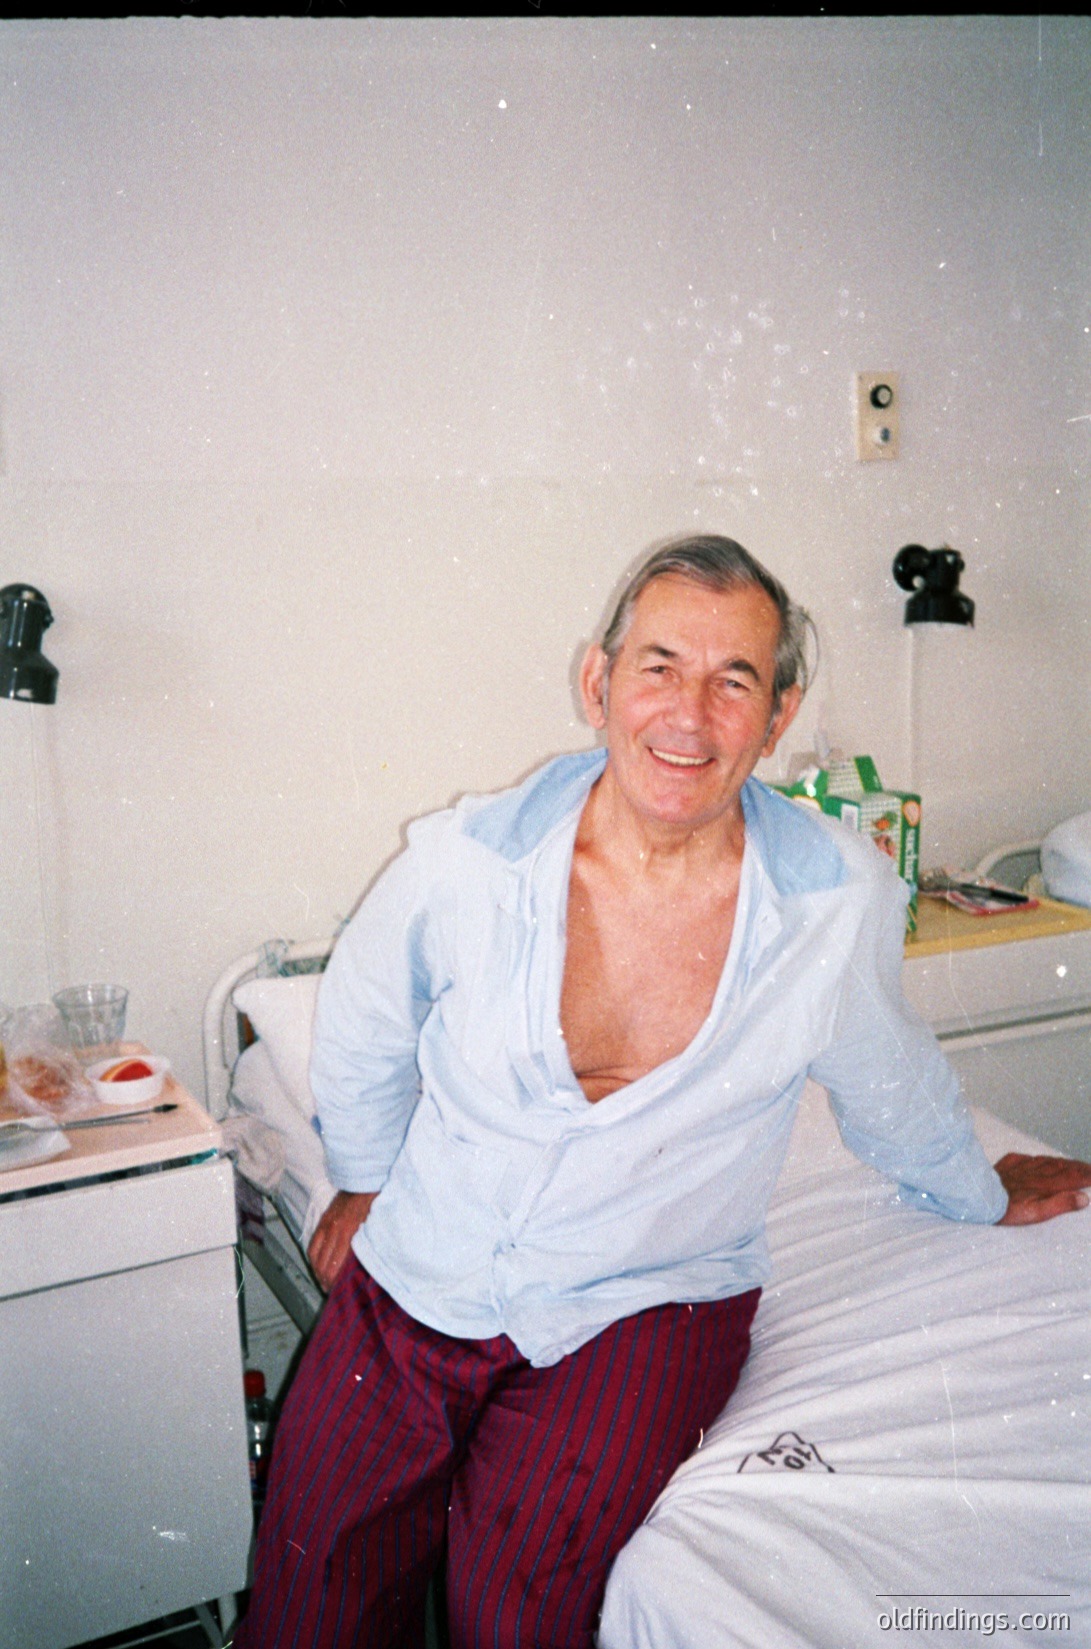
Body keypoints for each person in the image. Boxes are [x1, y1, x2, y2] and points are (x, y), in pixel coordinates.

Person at [236, 535, 1090, 1649]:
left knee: (517, 1614)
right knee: (309, 1606)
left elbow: (888, 1077)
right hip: (425, 1267)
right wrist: (356, 1178)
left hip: (645, 1299)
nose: (688, 712)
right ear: (597, 681)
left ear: (776, 715)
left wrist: (975, 1184)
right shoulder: (468, 862)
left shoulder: (829, 899)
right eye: (659, 665)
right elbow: (361, 1012)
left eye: (733, 678)